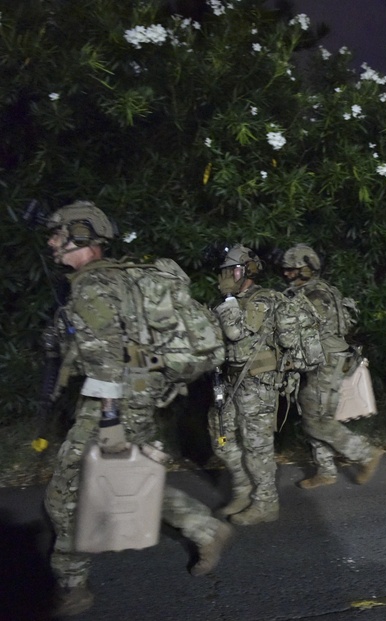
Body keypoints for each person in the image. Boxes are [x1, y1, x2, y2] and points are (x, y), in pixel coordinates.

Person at [44, 202, 232, 617]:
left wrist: (109, 423)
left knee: (65, 494)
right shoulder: (122, 278)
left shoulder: (92, 287)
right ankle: (205, 528)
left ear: (80, 235)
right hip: (141, 397)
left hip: (110, 404)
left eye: (58, 234)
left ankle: (72, 585)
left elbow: (107, 362)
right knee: (132, 473)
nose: (52, 243)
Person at [281, 244, 383, 489]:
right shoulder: (321, 291)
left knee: (318, 420)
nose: (286, 274)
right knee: (313, 414)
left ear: (305, 270)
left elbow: (301, 332)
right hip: (324, 360)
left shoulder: (314, 296)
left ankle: (366, 454)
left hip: (325, 362)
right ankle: (325, 470)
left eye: (291, 270)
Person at [210, 244, 286, 525]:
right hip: (228, 381)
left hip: (258, 384)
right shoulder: (226, 301)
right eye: (224, 271)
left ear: (249, 271)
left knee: (257, 447)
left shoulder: (262, 300)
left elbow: (235, 331)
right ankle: (244, 490)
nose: (227, 275)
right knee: (221, 439)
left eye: (233, 270)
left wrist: (228, 297)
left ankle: (266, 502)